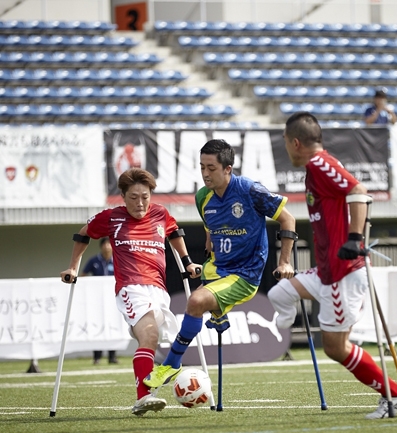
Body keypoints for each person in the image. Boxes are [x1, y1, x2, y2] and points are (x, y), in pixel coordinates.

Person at [268, 112, 397, 419]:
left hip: (342, 272)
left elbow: (358, 190)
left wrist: (355, 238)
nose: (286, 149)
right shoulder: (314, 168)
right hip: (325, 272)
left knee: (335, 347)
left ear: (296, 142)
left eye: (285, 142)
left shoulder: (321, 164)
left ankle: (395, 395)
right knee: (280, 293)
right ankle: (282, 327)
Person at [144, 139, 296, 388]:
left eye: (211, 168)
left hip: (244, 274)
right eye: (201, 167)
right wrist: (209, 239)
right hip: (215, 268)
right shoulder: (203, 197)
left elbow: (288, 219)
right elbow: (210, 223)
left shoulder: (250, 190)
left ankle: (171, 364)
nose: (205, 174)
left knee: (195, 301)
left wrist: (285, 262)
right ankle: (219, 314)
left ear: (228, 168)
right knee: (201, 301)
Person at [61, 168, 201, 416]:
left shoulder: (160, 213)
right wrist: (73, 266)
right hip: (130, 286)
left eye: (145, 196)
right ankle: (143, 397)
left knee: (152, 339)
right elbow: (83, 234)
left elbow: (174, 233)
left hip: (158, 288)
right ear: (123, 197)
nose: (140, 203)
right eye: (134, 197)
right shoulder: (111, 217)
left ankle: (152, 380)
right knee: (149, 336)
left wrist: (188, 261)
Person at [81, 237, 118, 365]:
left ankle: (112, 356)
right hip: (96, 300)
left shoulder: (118, 260)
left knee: (113, 325)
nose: (107, 247)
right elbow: (83, 275)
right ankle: (97, 357)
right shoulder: (94, 260)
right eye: (105, 244)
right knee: (97, 325)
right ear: (101, 246)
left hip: (114, 299)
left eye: (109, 244)